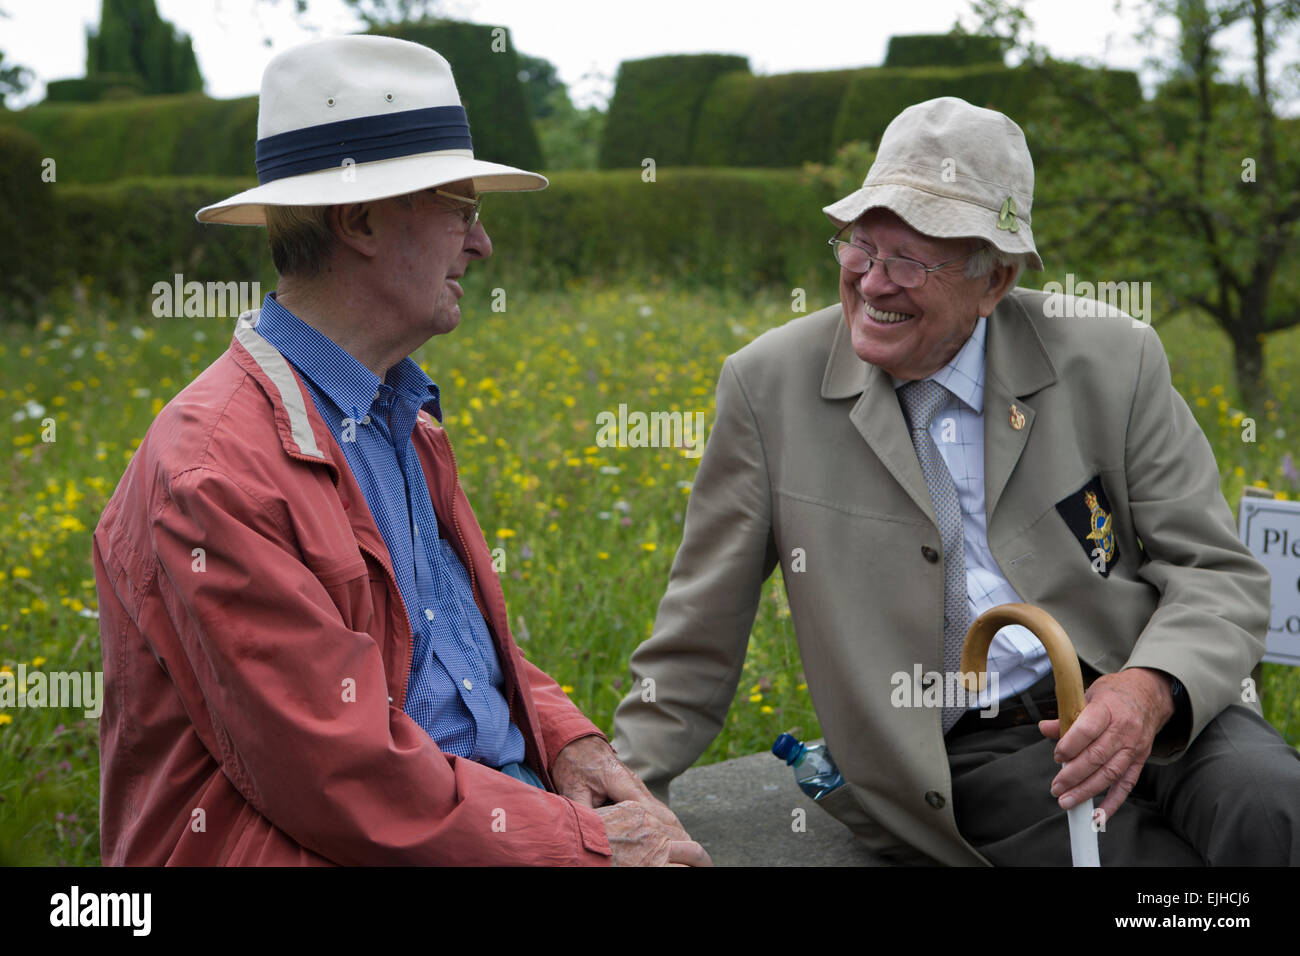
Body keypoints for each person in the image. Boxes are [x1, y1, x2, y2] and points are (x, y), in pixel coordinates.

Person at [611, 96, 1300, 865]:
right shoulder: (767, 387)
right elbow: (698, 631)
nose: (872, 284)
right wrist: (623, 793)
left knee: (1274, 810)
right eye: (860, 248)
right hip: (971, 747)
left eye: (910, 260)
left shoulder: (1113, 359)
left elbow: (1217, 573)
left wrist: (1153, 687)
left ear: (994, 281)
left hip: (1146, 694)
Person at [93, 34, 708, 867]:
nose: (481, 244)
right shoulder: (213, 471)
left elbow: (446, 649)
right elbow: (338, 773)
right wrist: (588, 845)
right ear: (360, 221)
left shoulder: (398, 411)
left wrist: (568, 741)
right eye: (462, 207)